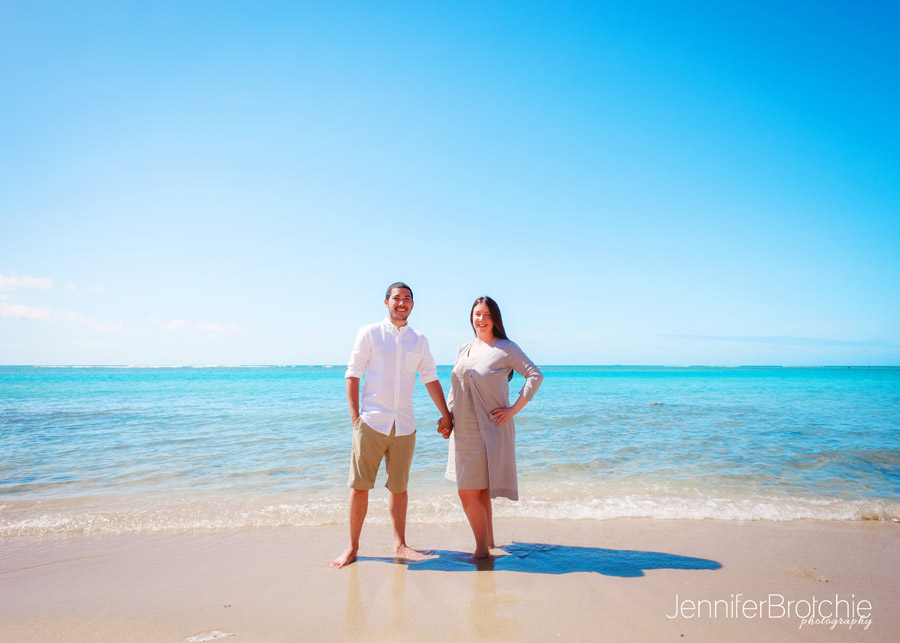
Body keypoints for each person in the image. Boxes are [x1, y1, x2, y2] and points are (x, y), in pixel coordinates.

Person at [331, 282, 453, 569]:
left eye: (407, 299)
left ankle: (400, 544)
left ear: (412, 304)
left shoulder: (419, 340)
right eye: (396, 298)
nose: (402, 303)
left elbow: (430, 378)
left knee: (399, 488)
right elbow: (353, 374)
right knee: (360, 487)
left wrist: (446, 415)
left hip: (405, 426)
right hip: (371, 422)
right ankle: (352, 548)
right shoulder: (369, 333)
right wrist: (355, 418)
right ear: (386, 302)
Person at [443, 296, 542, 559]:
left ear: (495, 318)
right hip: (462, 429)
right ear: (471, 317)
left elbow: (535, 375)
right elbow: (455, 387)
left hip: (489, 428)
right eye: (477, 314)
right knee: (479, 490)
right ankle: (488, 543)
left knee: (467, 492)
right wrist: (448, 416)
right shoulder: (464, 348)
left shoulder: (506, 348)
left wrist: (513, 409)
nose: (481, 319)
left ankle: (480, 550)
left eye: (487, 314)